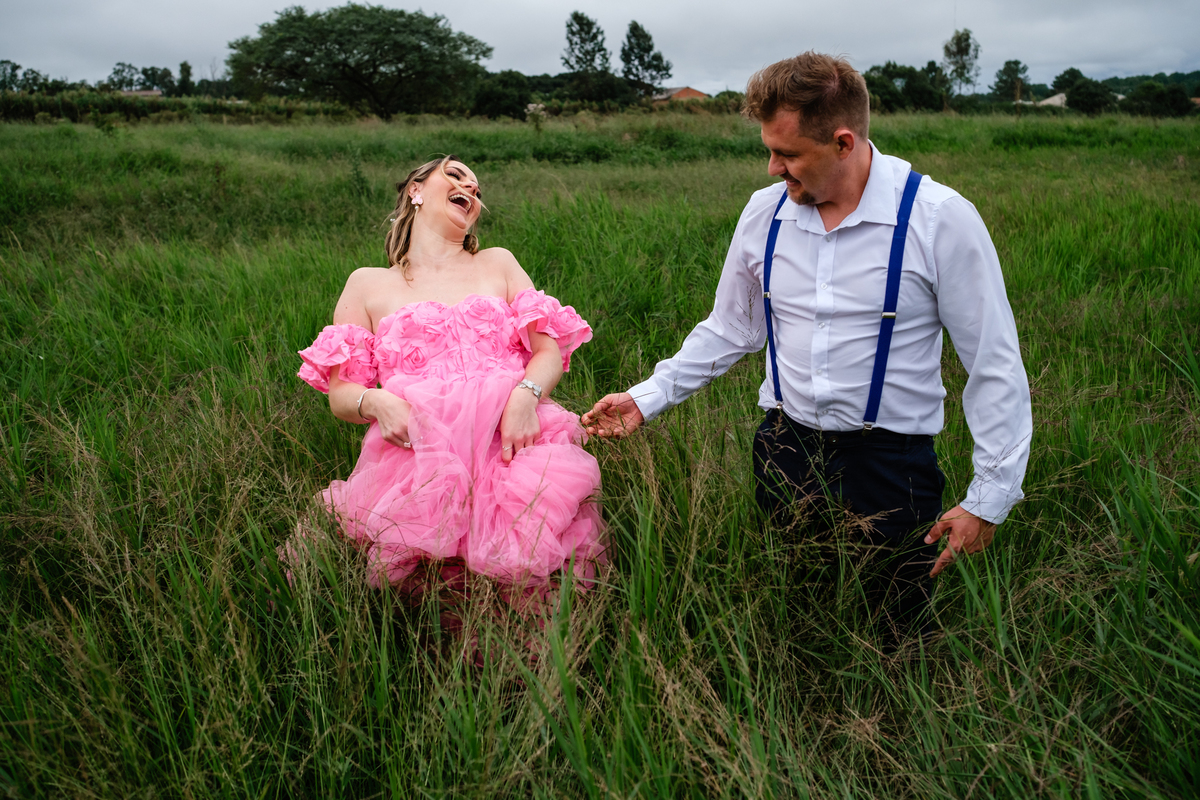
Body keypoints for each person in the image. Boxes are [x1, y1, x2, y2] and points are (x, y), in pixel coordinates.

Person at [583, 52, 1032, 641]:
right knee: (794, 618)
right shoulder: (764, 214)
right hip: (783, 451)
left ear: (844, 143)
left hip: (890, 466)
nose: (773, 169)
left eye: (789, 154)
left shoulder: (938, 218)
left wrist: (988, 499)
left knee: (895, 636)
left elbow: (993, 365)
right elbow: (732, 327)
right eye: (769, 150)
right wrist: (648, 398)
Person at [291, 155, 604, 616]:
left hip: (509, 442)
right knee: (435, 602)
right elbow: (341, 394)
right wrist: (376, 400)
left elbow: (548, 352)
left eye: (476, 189)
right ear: (416, 190)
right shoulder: (367, 285)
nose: (471, 190)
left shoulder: (497, 263)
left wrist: (525, 396)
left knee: (527, 581)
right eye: (456, 177)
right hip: (422, 452)